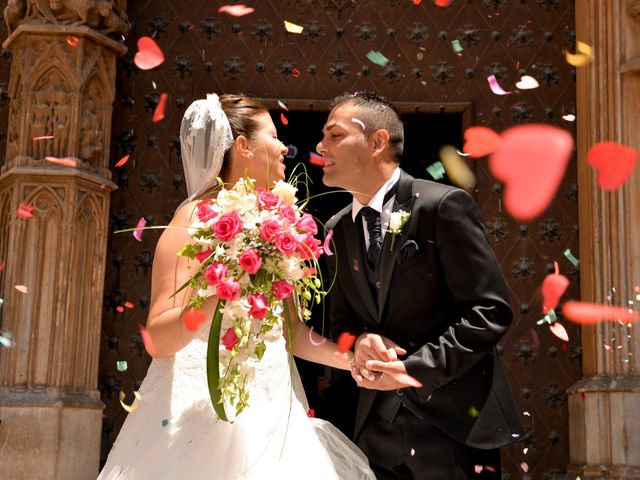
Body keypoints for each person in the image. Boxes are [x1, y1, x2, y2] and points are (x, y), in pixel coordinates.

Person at [98, 94, 376, 480]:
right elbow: (158, 339)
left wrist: (353, 360)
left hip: (276, 416)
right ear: (244, 146)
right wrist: (216, 298)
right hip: (202, 415)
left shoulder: (278, 223)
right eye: (273, 135)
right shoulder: (194, 218)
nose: (283, 146)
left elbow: (290, 333)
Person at [318, 91, 524, 479]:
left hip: (451, 429)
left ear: (377, 141)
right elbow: (341, 325)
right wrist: (359, 343)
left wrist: (415, 369)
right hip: (373, 432)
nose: (321, 146)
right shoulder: (337, 230)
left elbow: (490, 311)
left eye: (334, 135)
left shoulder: (442, 206)